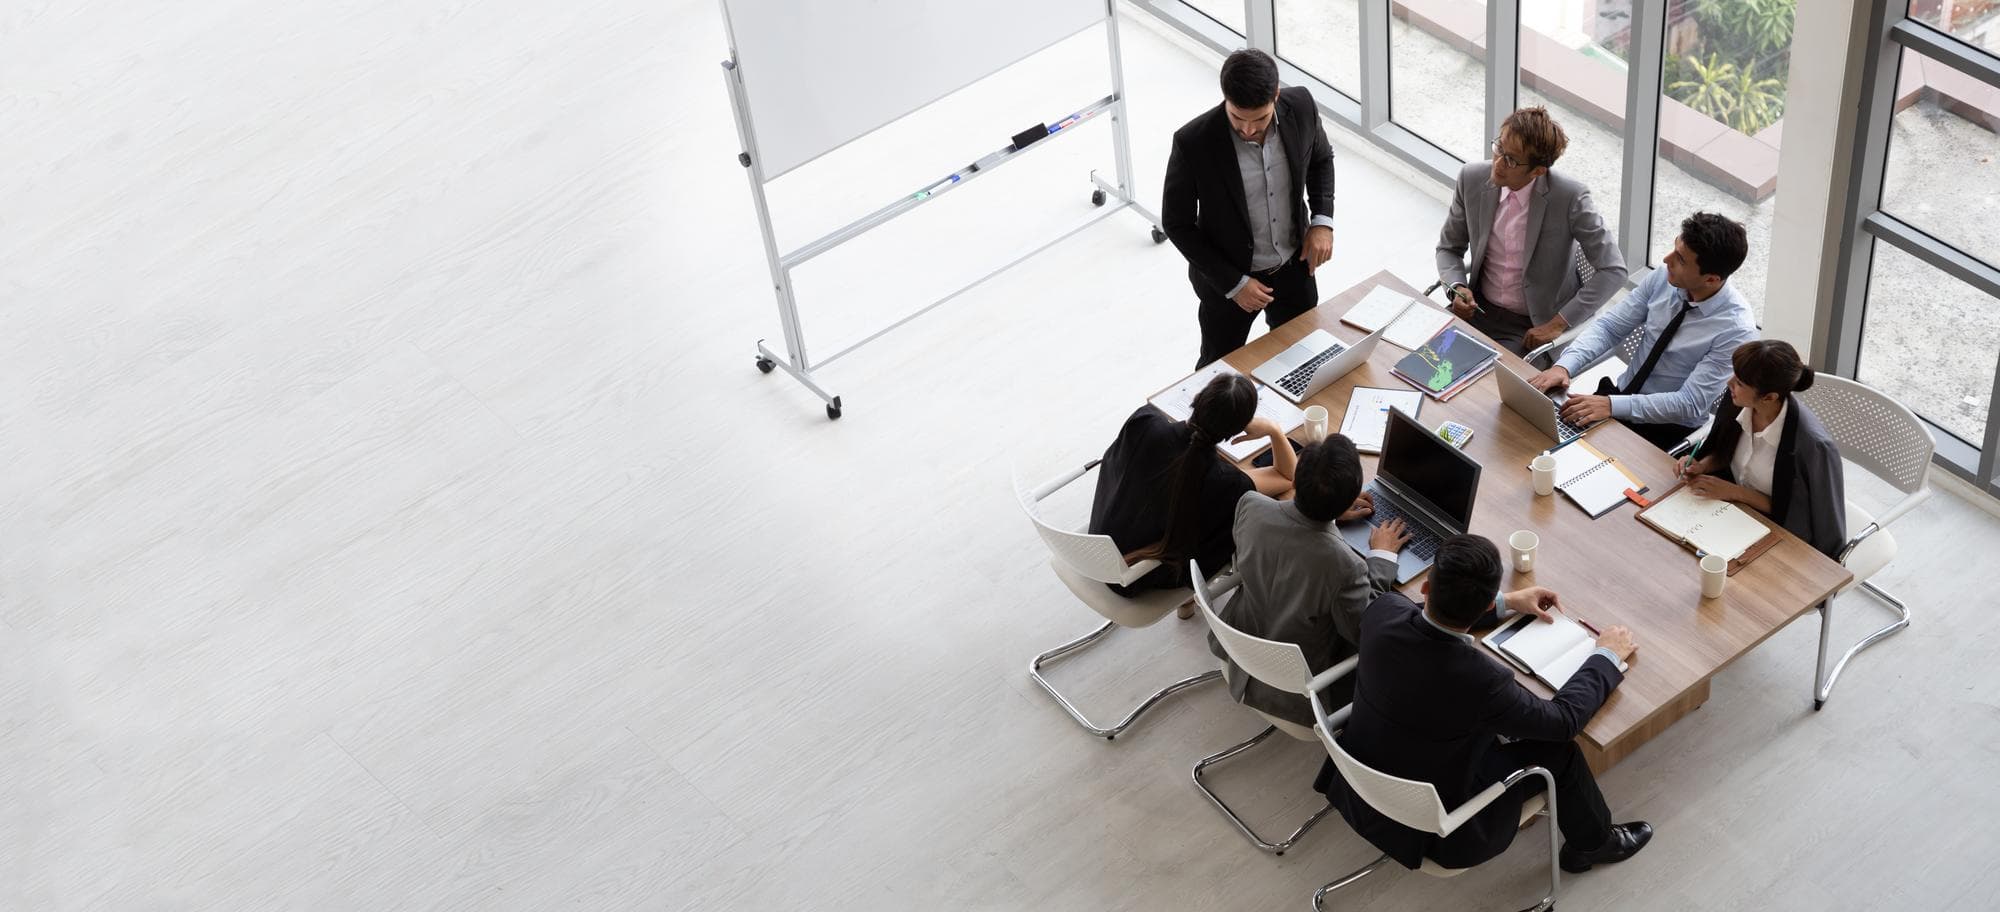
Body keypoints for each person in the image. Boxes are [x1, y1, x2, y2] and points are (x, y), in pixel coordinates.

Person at [1317, 535, 1652, 874]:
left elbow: (1418, 618)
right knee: (1560, 752)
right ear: (1486, 604)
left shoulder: (1382, 611)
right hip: (1441, 831)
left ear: (1426, 588)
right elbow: (1563, 720)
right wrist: (1606, 656)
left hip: (1358, 784)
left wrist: (1506, 603)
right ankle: (1594, 845)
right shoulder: (1483, 681)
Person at [1205, 434, 1413, 727]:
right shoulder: (1345, 566)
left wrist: (1327, 514)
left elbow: (1252, 560)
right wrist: (1381, 556)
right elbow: (1364, 631)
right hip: (1295, 689)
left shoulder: (1250, 505)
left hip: (1238, 642)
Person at [1162, 48, 1338, 368]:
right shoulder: (1194, 142)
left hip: (1293, 266)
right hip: (1228, 283)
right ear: (1225, 98)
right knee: (1218, 373)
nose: (1247, 129)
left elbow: (1321, 159)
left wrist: (1322, 221)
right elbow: (1177, 223)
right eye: (1237, 118)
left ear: (1276, 95)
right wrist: (1234, 283)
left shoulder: (1301, 107)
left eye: (1259, 118)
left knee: (1301, 358)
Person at [1528, 211, 1760, 452]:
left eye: (1680, 259)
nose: (1666, 260)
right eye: (1674, 248)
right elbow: (1610, 328)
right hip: (1616, 399)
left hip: (1664, 429)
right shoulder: (1664, 277)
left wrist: (1612, 406)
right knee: (1536, 444)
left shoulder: (1737, 331)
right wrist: (1564, 366)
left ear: (1711, 279)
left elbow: (1690, 403)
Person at [1435, 106, 1627, 355]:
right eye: (1499, 147)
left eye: (1511, 160)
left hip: (1529, 327)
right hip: (1475, 309)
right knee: (1420, 362)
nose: (1498, 163)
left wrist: (1558, 323)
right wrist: (1456, 287)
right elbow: (1449, 248)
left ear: (1538, 171)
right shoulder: (1471, 178)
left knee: (1488, 388)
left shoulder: (1570, 198)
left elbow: (1614, 270)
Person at [1088, 372, 1295, 595]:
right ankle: (1186, 602)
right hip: (1134, 577)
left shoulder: (1145, 422)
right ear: (1238, 430)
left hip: (1097, 546)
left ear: (1197, 398)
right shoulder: (1227, 483)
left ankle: (1185, 607)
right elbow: (1286, 476)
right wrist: (1274, 431)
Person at [1676, 340, 1847, 559]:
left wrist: (1735, 492)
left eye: (1739, 382)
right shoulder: (1738, 401)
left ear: (1769, 397)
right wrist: (1702, 465)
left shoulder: (1813, 447)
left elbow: (1800, 513)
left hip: (1776, 534)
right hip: (1728, 513)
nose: (1729, 384)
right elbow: (1724, 452)